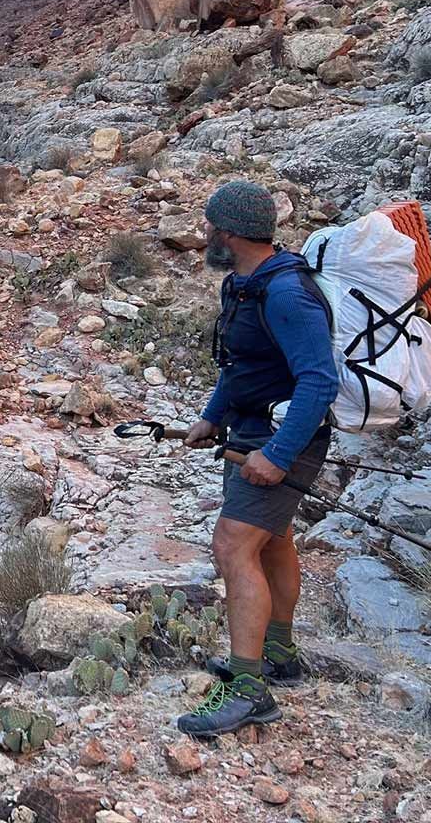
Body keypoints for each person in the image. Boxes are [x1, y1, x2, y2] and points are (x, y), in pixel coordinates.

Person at [176, 179, 340, 737]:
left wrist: (278, 453)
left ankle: (248, 690)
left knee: (232, 544)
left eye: (208, 226)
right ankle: (279, 652)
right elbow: (237, 364)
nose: (203, 234)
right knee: (273, 540)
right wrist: (211, 416)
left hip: (280, 439)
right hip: (248, 430)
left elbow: (320, 380)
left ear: (228, 232)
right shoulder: (241, 283)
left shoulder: (287, 293)